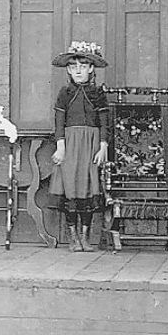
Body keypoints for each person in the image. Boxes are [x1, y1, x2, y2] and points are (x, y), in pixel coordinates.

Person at [48, 41, 109, 252]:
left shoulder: (98, 94)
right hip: (70, 145)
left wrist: (103, 146)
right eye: (74, 67)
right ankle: (72, 237)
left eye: (83, 66)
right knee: (71, 188)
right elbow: (59, 122)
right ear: (68, 70)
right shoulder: (64, 93)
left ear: (91, 68)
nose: (78, 71)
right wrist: (60, 146)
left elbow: (103, 122)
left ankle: (86, 236)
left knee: (87, 187)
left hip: (91, 146)